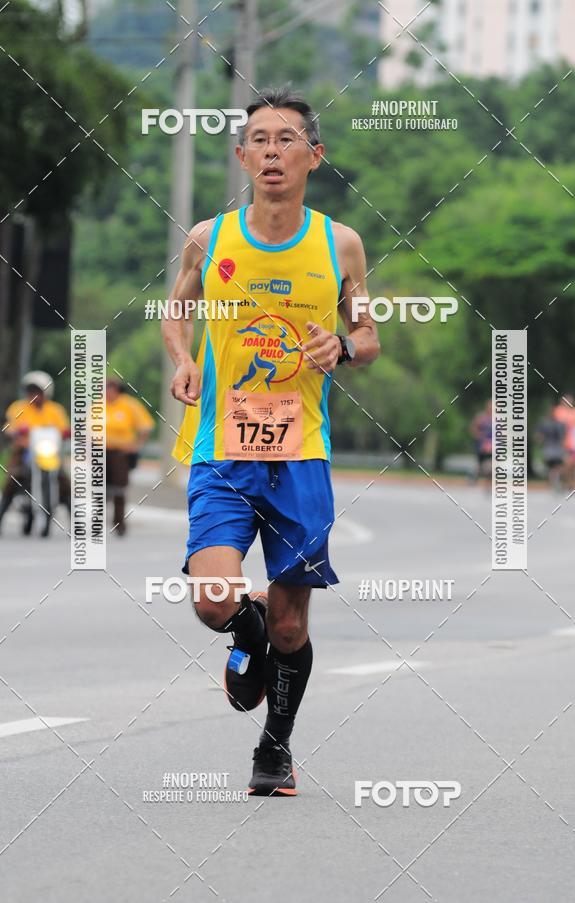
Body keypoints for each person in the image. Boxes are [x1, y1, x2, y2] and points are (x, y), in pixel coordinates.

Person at [162, 86, 380, 796]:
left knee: (293, 626)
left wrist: (340, 346)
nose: (271, 152)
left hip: (300, 455)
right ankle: (242, 629)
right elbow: (176, 310)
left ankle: (275, 748)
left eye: (287, 139)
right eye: (258, 139)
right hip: (221, 448)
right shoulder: (211, 236)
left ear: (314, 156)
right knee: (213, 600)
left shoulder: (339, 243)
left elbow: (369, 336)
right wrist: (185, 359)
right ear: (241, 156)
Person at [0, 371, 70, 535]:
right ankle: (2, 514)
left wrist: (67, 433)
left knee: (64, 481)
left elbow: (63, 429)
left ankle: (74, 523)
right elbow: (8, 427)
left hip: (49, 454)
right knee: (12, 479)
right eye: (31, 391)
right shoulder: (18, 407)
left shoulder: (55, 410)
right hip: (24, 452)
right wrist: (15, 432)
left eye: (38, 391)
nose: (34, 395)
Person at [105, 378, 155, 535]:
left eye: (109, 388)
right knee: (100, 488)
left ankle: (119, 522)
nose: (106, 392)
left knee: (119, 488)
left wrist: (136, 445)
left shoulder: (129, 405)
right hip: (101, 451)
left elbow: (146, 426)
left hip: (121, 453)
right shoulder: (99, 406)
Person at [536, 404, 566, 491]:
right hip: (554, 449)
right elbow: (562, 437)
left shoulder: (544, 423)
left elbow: (539, 437)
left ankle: (554, 483)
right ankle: (555, 483)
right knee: (556, 467)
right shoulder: (559, 424)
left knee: (553, 468)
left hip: (549, 449)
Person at [470, 400, 493, 486]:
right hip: (482, 444)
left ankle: (489, 479)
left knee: (490, 463)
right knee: (479, 464)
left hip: (492, 445)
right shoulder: (481, 417)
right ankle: (473, 478)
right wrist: (481, 438)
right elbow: (473, 429)